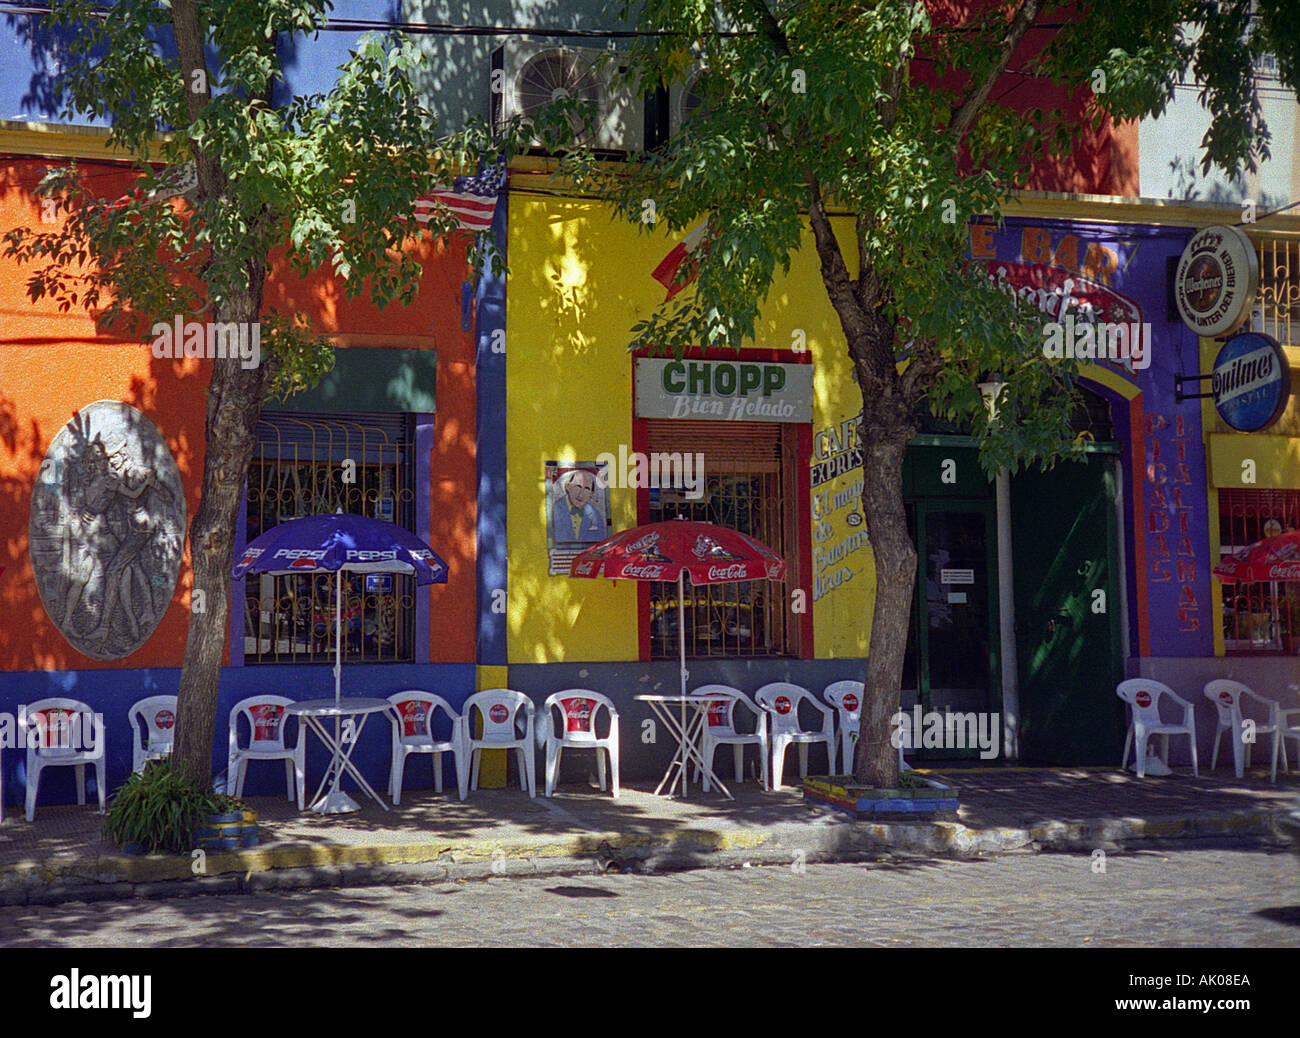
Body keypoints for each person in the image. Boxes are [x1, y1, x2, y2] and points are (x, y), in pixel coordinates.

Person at [551, 467, 607, 543]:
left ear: (591, 493)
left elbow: (600, 545)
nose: (581, 495)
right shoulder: (554, 510)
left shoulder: (596, 516)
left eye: (587, 489)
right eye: (577, 487)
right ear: (568, 486)